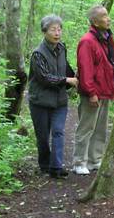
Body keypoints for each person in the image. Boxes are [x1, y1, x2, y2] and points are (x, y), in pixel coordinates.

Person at [27, 14, 78, 179]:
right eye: (53, 29)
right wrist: (67, 80)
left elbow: (66, 68)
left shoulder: (62, 47)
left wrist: (78, 76)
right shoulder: (37, 54)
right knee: (43, 136)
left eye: (59, 29)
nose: (57, 33)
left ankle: (56, 167)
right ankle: (44, 165)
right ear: (44, 32)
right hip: (40, 101)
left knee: (58, 132)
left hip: (60, 101)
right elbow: (44, 78)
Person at [73, 5, 114, 175]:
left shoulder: (106, 38)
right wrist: (91, 93)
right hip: (92, 93)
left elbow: (110, 64)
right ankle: (79, 162)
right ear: (95, 21)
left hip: (105, 91)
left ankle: (94, 160)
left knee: (100, 129)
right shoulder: (87, 41)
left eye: (107, 15)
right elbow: (86, 69)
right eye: (104, 16)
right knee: (86, 128)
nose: (108, 19)